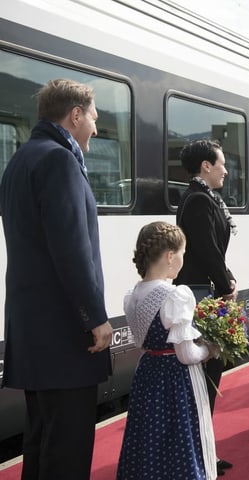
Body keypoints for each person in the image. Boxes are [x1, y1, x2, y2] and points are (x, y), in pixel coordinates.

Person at [0, 78, 112, 480]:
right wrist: (95, 318)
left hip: (33, 330)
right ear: (76, 114)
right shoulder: (59, 160)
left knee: (41, 440)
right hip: (64, 334)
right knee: (67, 446)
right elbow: (71, 250)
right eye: (94, 118)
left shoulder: (21, 159)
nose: (96, 129)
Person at [117, 221, 218, 480]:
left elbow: (143, 342)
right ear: (170, 256)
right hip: (176, 382)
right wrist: (209, 348)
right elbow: (186, 355)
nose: (184, 259)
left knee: (148, 441)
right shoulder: (176, 296)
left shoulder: (133, 295)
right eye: (183, 253)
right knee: (179, 441)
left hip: (147, 376)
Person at [175, 139, 236, 476]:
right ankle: (199, 453)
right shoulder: (199, 201)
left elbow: (212, 251)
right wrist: (226, 284)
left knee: (206, 378)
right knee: (205, 378)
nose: (226, 170)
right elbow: (206, 249)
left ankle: (202, 450)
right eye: (221, 163)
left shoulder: (200, 198)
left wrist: (226, 275)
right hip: (203, 296)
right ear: (206, 166)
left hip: (204, 290)